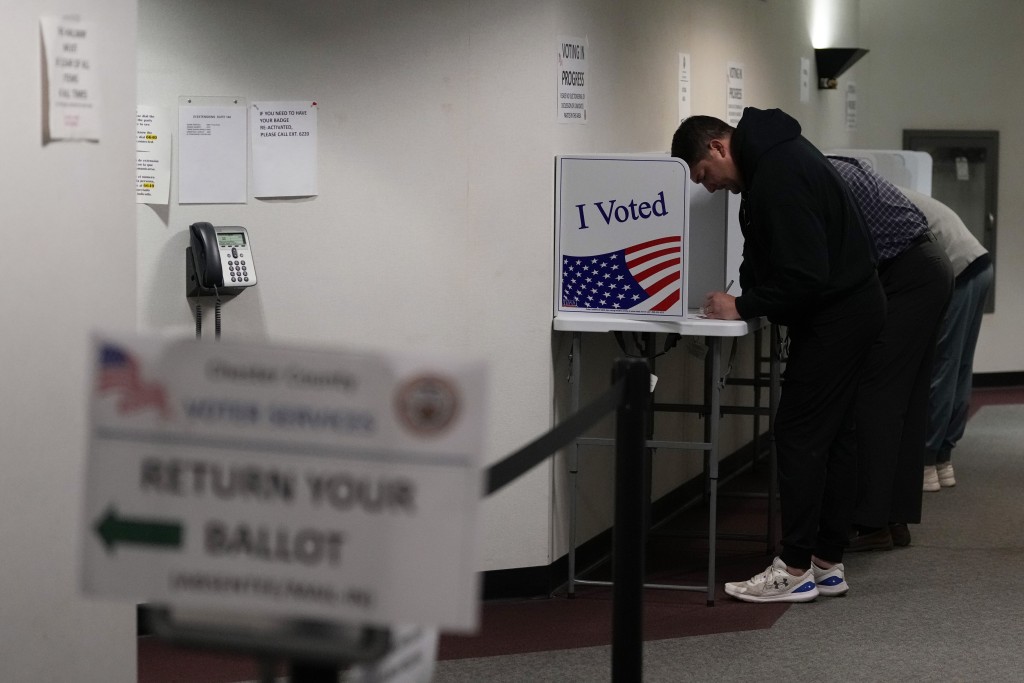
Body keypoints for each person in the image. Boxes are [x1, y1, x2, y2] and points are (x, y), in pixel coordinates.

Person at [672, 108, 885, 603]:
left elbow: (806, 273)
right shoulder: (772, 162)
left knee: (799, 433)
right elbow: (764, 252)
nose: (708, 188)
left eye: (704, 174)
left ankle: (792, 569)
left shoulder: (777, 174)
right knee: (835, 436)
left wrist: (743, 305)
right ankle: (826, 564)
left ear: (718, 148)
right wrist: (748, 293)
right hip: (853, 306)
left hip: (839, 313)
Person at [826, 157, 953, 552]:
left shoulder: (818, 181)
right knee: (902, 401)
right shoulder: (836, 169)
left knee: (875, 399)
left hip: (910, 276)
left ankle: (871, 522)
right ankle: (893, 520)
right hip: (926, 270)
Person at [901, 188, 994, 492]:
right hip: (978, 263)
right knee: (959, 365)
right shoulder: (893, 193)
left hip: (960, 269)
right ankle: (943, 460)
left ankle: (927, 462)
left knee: (943, 365)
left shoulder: (873, 203)